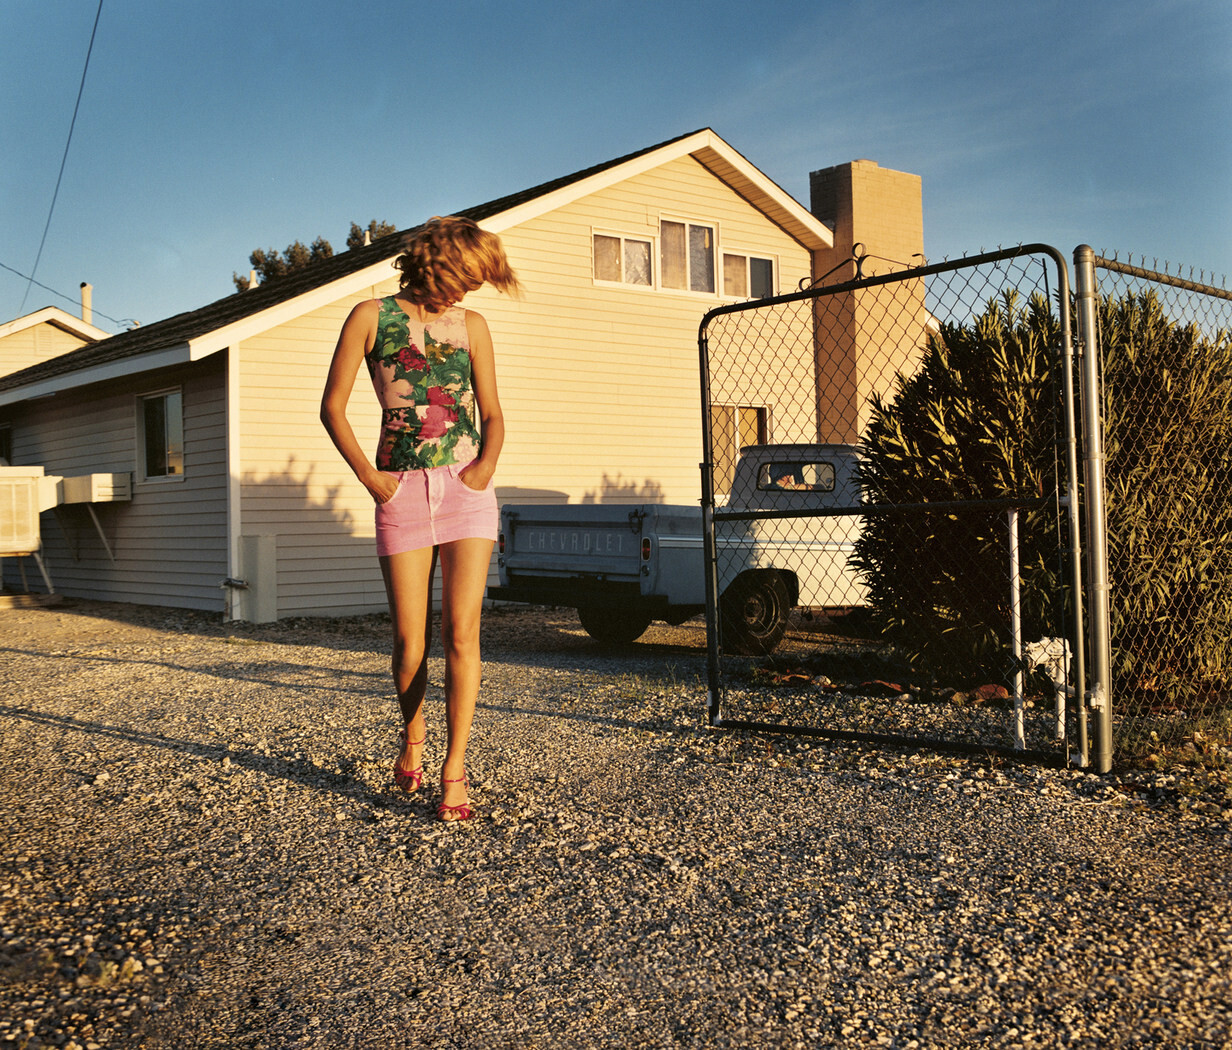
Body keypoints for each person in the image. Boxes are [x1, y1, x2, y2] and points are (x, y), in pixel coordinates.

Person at [320, 216, 520, 821]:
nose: (467, 291)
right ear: (435, 262)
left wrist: (485, 467)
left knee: (462, 633)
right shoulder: (369, 316)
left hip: (465, 491)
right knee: (410, 644)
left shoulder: (473, 326)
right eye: (464, 277)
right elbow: (332, 408)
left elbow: (493, 412)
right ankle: (413, 734)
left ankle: (454, 768)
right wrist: (371, 478)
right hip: (400, 492)